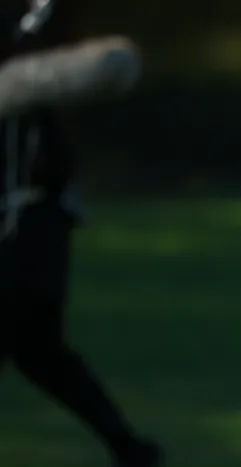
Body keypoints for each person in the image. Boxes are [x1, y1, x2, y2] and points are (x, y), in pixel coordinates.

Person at [0, 2, 163, 466]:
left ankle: (128, 447)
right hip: (33, 229)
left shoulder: (23, 70)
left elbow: (115, 64)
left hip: (28, 228)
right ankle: (129, 448)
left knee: (38, 348)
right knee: (39, 351)